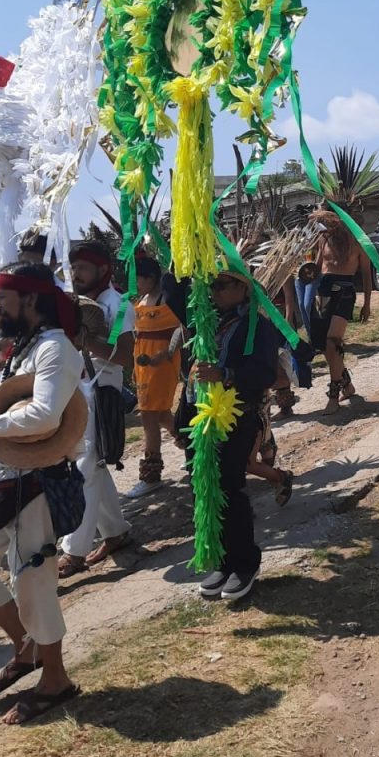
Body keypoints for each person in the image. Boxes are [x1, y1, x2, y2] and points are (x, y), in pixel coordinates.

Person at [0, 263, 83, 724]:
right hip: (9, 479)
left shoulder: (55, 349)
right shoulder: (24, 347)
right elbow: (13, 402)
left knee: (34, 587)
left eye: (3, 298)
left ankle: (56, 680)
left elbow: (47, 417)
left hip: (41, 482)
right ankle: (27, 648)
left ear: (30, 299)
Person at [193, 266, 281, 600]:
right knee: (207, 488)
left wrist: (226, 373)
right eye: (210, 286)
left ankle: (245, 563)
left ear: (244, 289)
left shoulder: (258, 327)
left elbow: (265, 373)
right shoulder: (208, 322)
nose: (214, 292)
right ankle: (223, 560)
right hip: (204, 419)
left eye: (222, 285)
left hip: (239, 417)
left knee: (230, 486)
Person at [60, 242, 132, 576]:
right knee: (95, 465)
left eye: (82, 268)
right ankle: (115, 531)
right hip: (79, 388)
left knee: (86, 466)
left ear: (103, 270)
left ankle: (74, 552)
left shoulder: (118, 305)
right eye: (73, 268)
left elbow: (123, 356)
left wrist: (83, 340)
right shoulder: (76, 301)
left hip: (101, 389)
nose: (76, 275)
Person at [124, 256, 184, 498]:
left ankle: (151, 475)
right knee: (160, 414)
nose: (134, 283)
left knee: (149, 416)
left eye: (137, 278)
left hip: (161, 363)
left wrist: (168, 351)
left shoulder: (167, 299)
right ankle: (189, 447)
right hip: (142, 364)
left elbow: (181, 327)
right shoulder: (141, 300)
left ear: (150, 278)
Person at [309, 208, 372, 414]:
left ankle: (333, 396)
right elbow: (318, 267)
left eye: (323, 223)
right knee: (325, 346)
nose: (321, 227)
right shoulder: (323, 240)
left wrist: (367, 304)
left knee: (332, 341)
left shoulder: (357, 241)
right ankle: (347, 385)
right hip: (323, 292)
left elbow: (366, 275)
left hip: (344, 292)